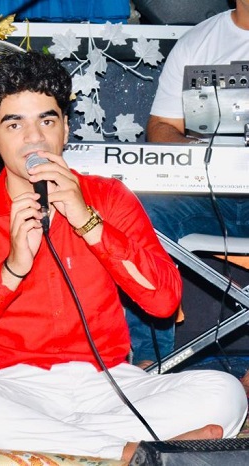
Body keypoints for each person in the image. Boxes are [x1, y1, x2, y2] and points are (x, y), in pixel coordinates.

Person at [0, 51, 247, 462]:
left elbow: (164, 301)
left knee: (225, 393)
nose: (34, 138)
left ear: (65, 129)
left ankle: (62, 442)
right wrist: (12, 270)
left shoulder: (109, 197)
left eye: (47, 121)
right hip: (12, 386)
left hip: (110, 384)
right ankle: (130, 451)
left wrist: (88, 223)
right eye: (14, 124)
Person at [138, 0, 249, 369]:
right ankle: (148, 361)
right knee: (138, 213)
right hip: (206, 196)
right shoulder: (196, 42)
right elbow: (161, 128)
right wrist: (201, 151)